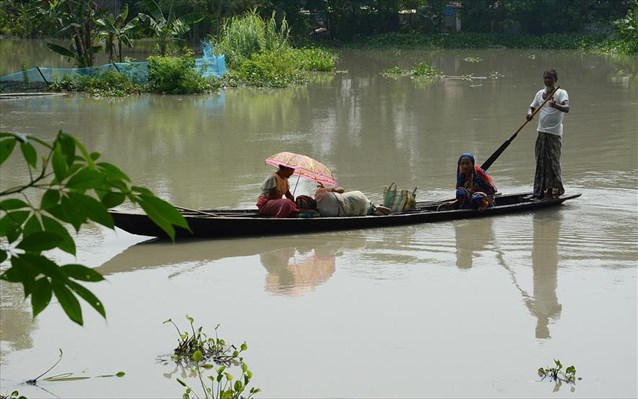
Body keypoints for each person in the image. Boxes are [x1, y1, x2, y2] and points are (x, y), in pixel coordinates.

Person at [526, 69, 569, 199]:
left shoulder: (561, 93)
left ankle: (554, 190)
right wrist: (529, 114)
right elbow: (532, 107)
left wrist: (555, 105)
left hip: (554, 134)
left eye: (550, 78)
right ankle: (541, 190)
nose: (547, 80)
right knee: (541, 162)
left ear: (555, 79)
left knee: (553, 163)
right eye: (545, 78)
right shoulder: (540, 94)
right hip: (541, 132)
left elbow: (567, 108)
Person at [296, 184, 391, 217]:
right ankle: (375, 206)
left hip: (353, 211)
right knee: (367, 202)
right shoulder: (319, 193)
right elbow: (341, 190)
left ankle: (374, 210)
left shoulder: (321, 213)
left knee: (367, 210)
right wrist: (327, 189)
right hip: (355, 198)